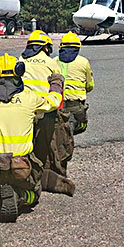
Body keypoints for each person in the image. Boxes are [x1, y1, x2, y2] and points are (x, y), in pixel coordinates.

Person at [0, 53, 63, 222]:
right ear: (19, 73)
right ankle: (21, 196)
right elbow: (54, 101)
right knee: (35, 192)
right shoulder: (29, 98)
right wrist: (56, 82)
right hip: (22, 165)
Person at [21, 30, 75, 195]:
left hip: (25, 110)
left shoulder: (20, 60)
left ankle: (26, 173)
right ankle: (50, 172)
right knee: (49, 143)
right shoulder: (51, 63)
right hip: (46, 109)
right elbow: (59, 88)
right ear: (46, 48)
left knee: (26, 144)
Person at [57, 32, 94, 135]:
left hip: (57, 104)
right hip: (76, 105)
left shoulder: (54, 61)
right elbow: (90, 86)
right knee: (82, 126)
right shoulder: (84, 62)